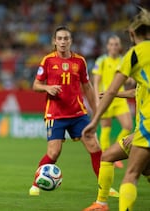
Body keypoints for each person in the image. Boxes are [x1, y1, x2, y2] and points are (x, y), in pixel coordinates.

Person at [82, 7, 150, 211]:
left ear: (131, 34)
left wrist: (93, 121)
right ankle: (101, 203)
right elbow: (138, 90)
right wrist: (121, 94)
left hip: (146, 128)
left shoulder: (134, 55)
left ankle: (105, 204)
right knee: (135, 166)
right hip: (142, 129)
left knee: (130, 175)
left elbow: (111, 89)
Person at [29, 26, 102, 196]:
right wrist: (47, 88)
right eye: (59, 38)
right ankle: (35, 184)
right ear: (54, 41)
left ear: (71, 41)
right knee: (54, 152)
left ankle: (104, 187)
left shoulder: (80, 62)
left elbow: (88, 87)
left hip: (78, 113)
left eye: (66, 38)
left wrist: (97, 111)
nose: (63, 42)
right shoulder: (47, 60)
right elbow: (35, 85)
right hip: (55, 114)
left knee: (94, 147)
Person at [92, 34, 133, 169]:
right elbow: (96, 81)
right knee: (106, 128)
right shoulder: (102, 60)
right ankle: (105, 157)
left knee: (128, 126)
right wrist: (97, 99)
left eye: (116, 44)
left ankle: (115, 151)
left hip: (119, 99)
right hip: (106, 98)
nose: (114, 47)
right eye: (111, 44)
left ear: (119, 46)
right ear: (107, 46)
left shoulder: (123, 60)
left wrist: (131, 80)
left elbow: (127, 79)